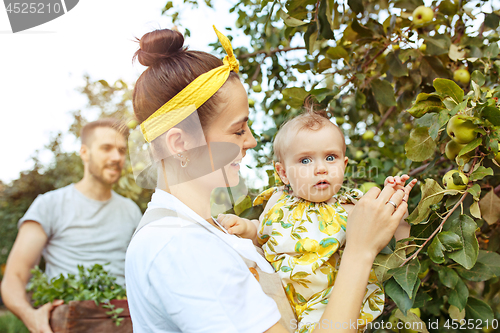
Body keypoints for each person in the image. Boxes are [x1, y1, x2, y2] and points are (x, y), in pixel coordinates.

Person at [125, 26, 409, 333]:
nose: (251, 141)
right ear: (180, 144)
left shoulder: (202, 232)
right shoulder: (182, 248)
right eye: (237, 130)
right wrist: (360, 251)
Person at [216, 107, 417, 332]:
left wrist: (398, 207)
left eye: (331, 157)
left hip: (327, 303)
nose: (321, 168)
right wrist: (246, 227)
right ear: (283, 173)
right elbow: (263, 233)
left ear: (344, 164)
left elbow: (393, 242)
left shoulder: (352, 207)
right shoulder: (277, 200)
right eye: (305, 160)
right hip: (282, 300)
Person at [1, 118, 142, 333]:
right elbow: (15, 276)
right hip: (68, 322)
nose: (116, 157)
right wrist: (32, 317)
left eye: (122, 150)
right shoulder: (50, 204)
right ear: (84, 152)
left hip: (123, 322)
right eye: (106, 148)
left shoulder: (131, 211)